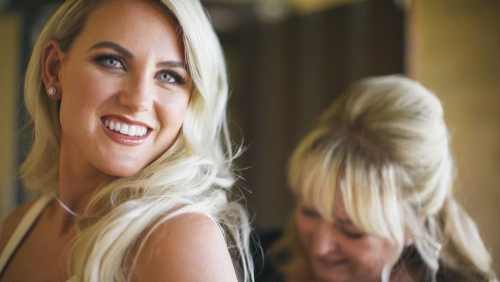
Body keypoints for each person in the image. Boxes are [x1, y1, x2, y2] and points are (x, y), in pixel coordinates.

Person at [0, 0, 254, 281]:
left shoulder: (179, 237)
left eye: (169, 76)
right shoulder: (18, 227)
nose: (138, 100)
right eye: (113, 61)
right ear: (54, 68)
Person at [265, 75, 498, 282]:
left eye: (351, 231)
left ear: (414, 223)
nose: (320, 247)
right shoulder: (256, 261)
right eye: (310, 211)